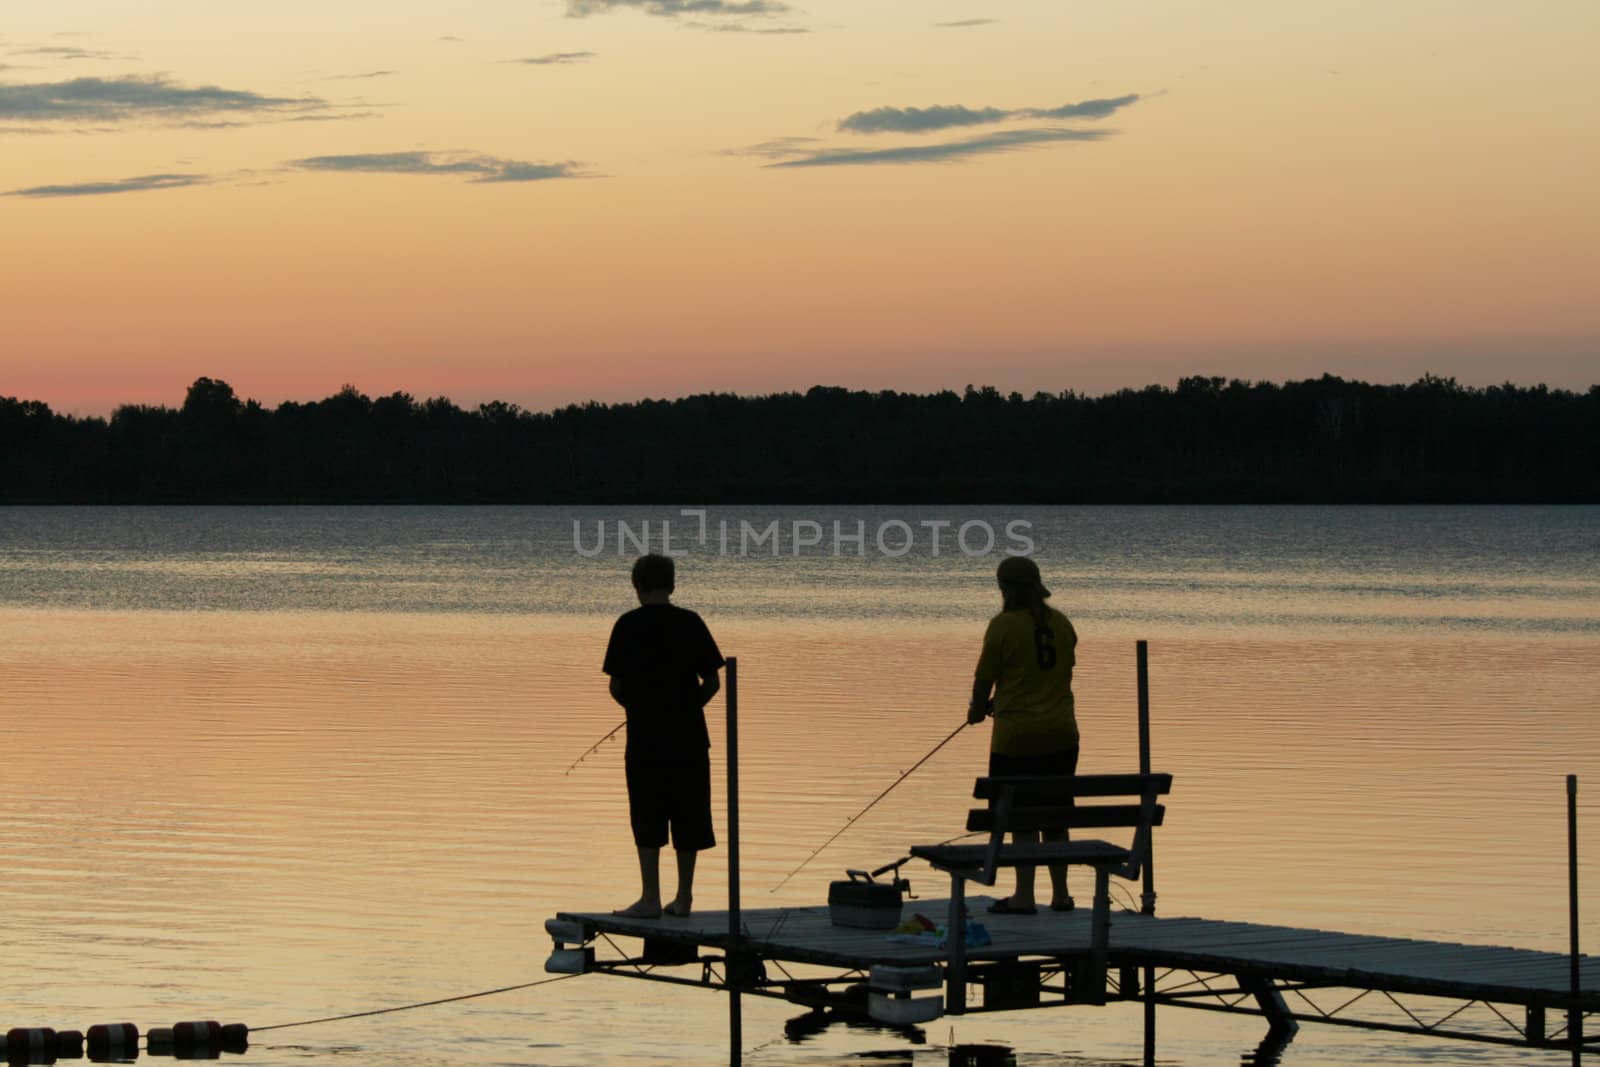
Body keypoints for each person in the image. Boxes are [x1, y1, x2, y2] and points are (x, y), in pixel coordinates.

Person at [603, 553, 725, 919]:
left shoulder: (627, 625)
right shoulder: (691, 622)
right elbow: (714, 681)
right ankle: (684, 898)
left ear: (636, 586)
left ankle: (650, 897)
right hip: (689, 737)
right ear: (672, 585)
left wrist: (637, 710)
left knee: (647, 812)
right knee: (690, 813)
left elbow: (616, 686)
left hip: (645, 738)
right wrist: (689, 708)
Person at [966, 554, 1079, 915]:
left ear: (1005, 588)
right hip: (1061, 734)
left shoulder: (1003, 626)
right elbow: (1053, 672)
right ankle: (1061, 894)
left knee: (1020, 819)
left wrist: (977, 708)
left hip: (1017, 737)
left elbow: (986, 677)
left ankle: (1024, 896)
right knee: (1056, 815)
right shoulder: (1062, 623)